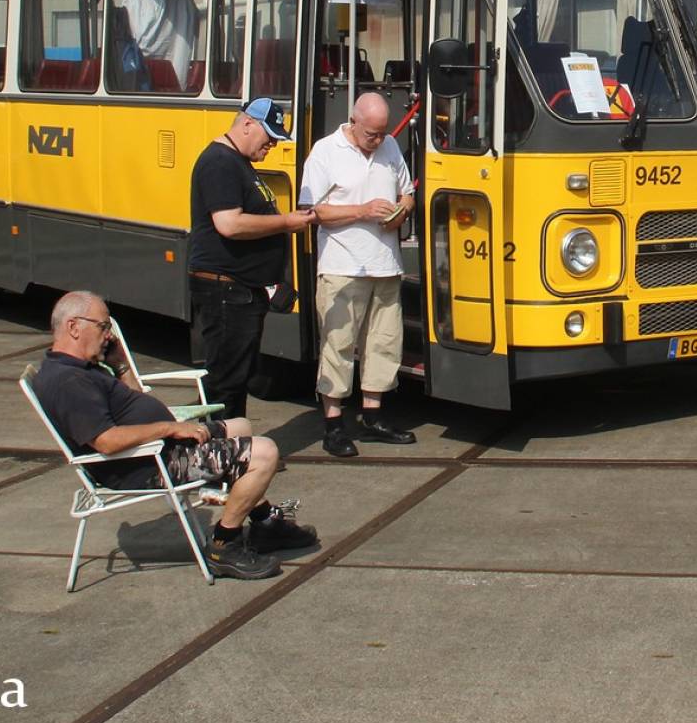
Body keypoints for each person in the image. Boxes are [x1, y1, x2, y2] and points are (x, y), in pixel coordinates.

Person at [30, 291, 316, 580]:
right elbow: (106, 441)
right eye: (103, 326)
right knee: (264, 453)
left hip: (156, 448)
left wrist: (121, 366)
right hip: (148, 464)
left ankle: (265, 523)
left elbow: (134, 400)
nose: (108, 335)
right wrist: (170, 428)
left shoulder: (82, 367)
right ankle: (223, 545)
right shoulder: (69, 381)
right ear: (74, 327)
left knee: (241, 426)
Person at [298, 92, 417, 458]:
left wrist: (401, 212)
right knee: (338, 345)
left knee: (384, 342)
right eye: (371, 134)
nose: (378, 140)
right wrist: (363, 211)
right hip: (342, 265)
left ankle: (373, 415)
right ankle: (333, 424)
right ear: (353, 122)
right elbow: (313, 211)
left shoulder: (390, 147)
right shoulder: (325, 151)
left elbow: (408, 193)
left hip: (385, 264)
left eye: (382, 133)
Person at [188, 98, 317, 420]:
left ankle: (229, 440)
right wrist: (285, 222)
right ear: (247, 124)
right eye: (269, 136)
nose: (272, 144)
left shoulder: (238, 162)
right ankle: (219, 443)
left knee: (235, 376)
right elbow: (229, 224)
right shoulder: (220, 162)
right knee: (226, 381)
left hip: (241, 290)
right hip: (227, 291)